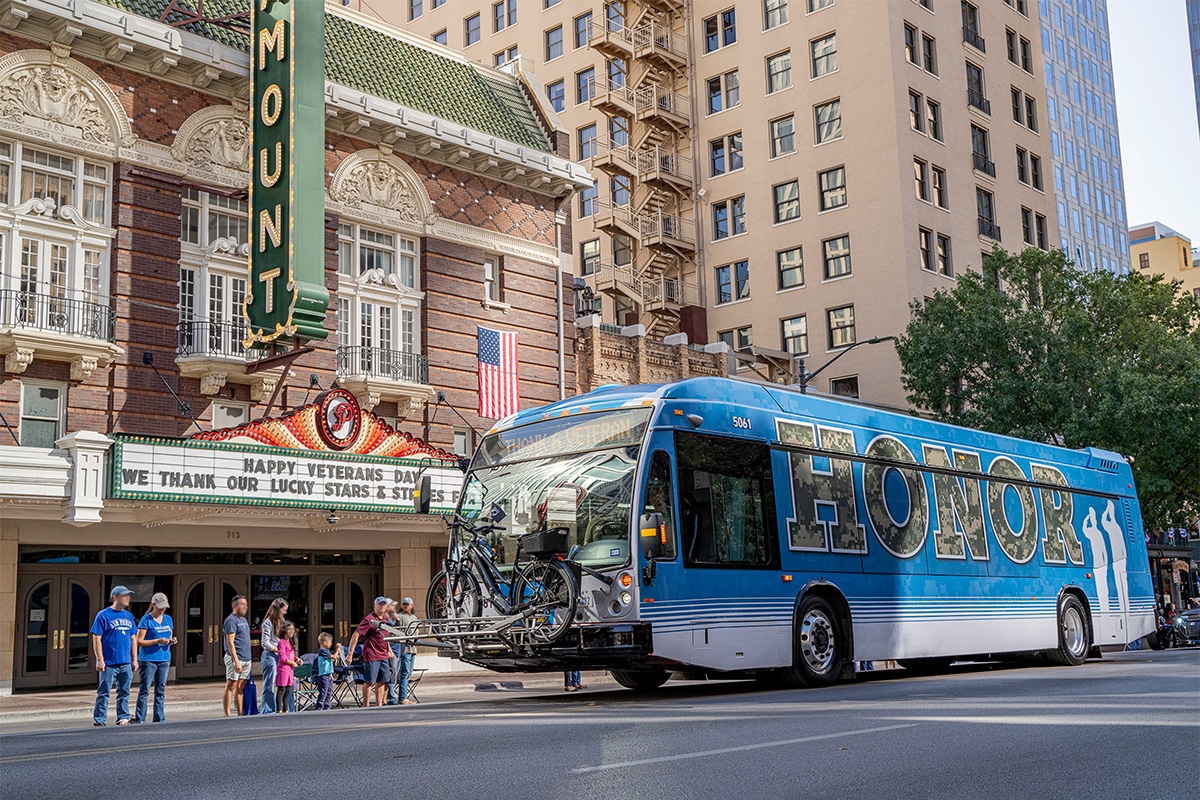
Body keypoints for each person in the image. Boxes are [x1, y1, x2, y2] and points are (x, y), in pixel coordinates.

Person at [91, 585, 138, 727]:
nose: (128, 597)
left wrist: (134, 659)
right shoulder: (103, 615)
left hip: (125, 662)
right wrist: (100, 659)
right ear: (115, 597)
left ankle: (123, 717)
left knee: (124, 691)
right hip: (109, 662)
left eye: (129, 595)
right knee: (104, 691)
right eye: (125, 595)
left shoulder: (128, 616)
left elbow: (133, 638)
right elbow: (96, 638)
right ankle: (100, 719)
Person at [134, 592, 175, 723]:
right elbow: (139, 641)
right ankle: (140, 718)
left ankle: (159, 718)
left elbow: (169, 636)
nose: (162, 610)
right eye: (160, 607)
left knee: (160, 690)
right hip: (149, 659)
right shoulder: (146, 620)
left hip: (164, 658)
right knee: (145, 689)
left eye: (164, 607)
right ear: (153, 605)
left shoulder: (168, 619)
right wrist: (157, 641)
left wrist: (171, 640)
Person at [345, 596, 392, 707]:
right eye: (380, 604)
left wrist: (389, 650)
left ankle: (378, 705)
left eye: (384, 604)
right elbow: (356, 634)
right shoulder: (369, 619)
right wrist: (350, 654)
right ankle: (366, 706)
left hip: (383, 654)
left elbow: (385, 636)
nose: (382, 606)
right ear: (374, 606)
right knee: (369, 681)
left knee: (382, 680)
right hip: (371, 654)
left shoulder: (386, 619)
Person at [222, 595, 252, 717]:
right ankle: (227, 714)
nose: (245, 607)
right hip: (235, 658)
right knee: (231, 685)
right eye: (242, 604)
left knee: (241, 687)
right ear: (235, 605)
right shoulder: (231, 620)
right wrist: (236, 661)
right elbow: (230, 642)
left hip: (246, 658)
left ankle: (240, 714)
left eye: (246, 604)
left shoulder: (244, 620)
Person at [259, 598, 288, 715]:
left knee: (285, 683)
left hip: (281, 654)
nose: (285, 612)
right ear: (277, 609)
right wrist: (277, 649)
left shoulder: (282, 621)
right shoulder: (268, 622)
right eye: (283, 610)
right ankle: (268, 710)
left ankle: (286, 708)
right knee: (269, 683)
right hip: (270, 655)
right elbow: (265, 642)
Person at [389, 598, 419, 705]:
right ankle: (402, 697)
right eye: (404, 604)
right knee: (404, 673)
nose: (406, 606)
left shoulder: (414, 617)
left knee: (409, 673)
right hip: (404, 649)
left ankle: (403, 696)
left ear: (412, 605)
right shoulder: (400, 617)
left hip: (413, 649)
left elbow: (417, 632)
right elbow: (396, 631)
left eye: (408, 604)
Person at [275, 622, 301, 714]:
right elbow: (282, 657)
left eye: (293, 629)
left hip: (290, 670)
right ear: (284, 630)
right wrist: (292, 663)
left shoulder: (290, 642)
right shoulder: (281, 642)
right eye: (289, 629)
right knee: (281, 689)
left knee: (288, 690)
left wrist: (296, 659)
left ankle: (286, 709)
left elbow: (289, 655)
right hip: (283, 669)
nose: (291, 631)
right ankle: (279, 709)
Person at [315, 633, 336, 710]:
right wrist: (337, 650)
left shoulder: (326, 651)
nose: (331, 643)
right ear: (324, 642)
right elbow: (333, 657)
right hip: (324, 675)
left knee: (329, 691)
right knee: (324, 691)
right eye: (330, 641)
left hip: (328, 674)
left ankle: (327, 705)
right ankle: (320, 706)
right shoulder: (323, 650)